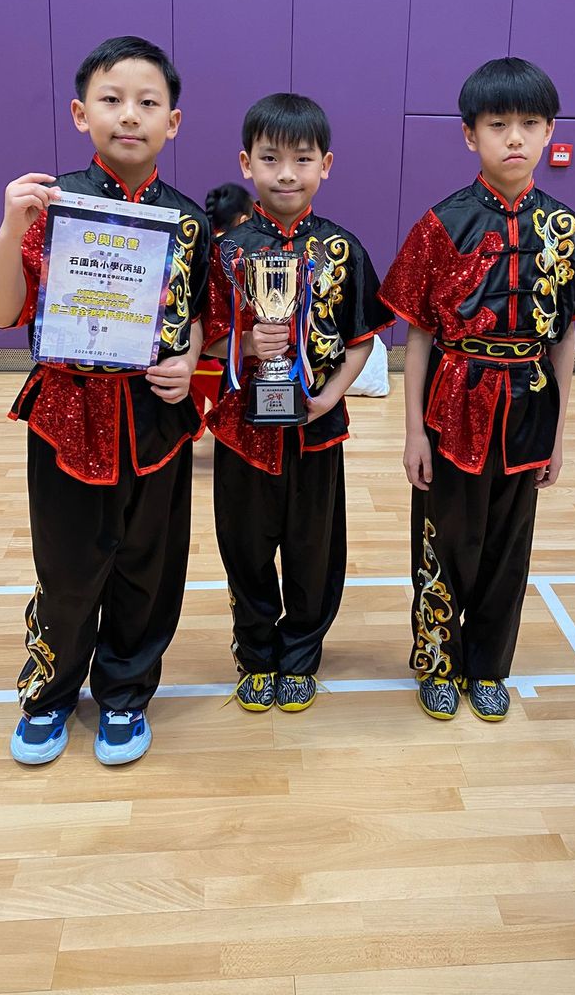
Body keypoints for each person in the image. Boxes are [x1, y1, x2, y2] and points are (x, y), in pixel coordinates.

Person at [0, 35, 210, 766]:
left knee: (148, 567)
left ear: (173, 121)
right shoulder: (50, 205)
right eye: (111, 100)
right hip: (68, 417)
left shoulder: (189, 219)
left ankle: (126, 693)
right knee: (68, 567)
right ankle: (49, 693)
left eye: (148, 102)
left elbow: (201, 314)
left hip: (154, 421)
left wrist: (190, 361)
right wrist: (10, 227)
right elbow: (0, 311)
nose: (129, 115)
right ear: (81, 114)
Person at [379, 57, 575, 723]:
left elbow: (565, 336)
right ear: (469, 134)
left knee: (509, 546)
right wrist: (414, 431)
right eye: (498, 124)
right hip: (453, 403)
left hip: (529, 406)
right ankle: (437, 662)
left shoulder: (565, 229)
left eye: (529, 123)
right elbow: (418, 333)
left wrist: (558, 434)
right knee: (444, 539)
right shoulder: (441, 224)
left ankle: (488, 666)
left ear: (550, 131)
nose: (514, 137)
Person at [202, 93, 393, 712]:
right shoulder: (225, 251)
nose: (287, 173)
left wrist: (329, 396)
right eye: (270, 158)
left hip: (315, 428)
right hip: (243, 430)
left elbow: (362, 340)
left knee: (315, 550)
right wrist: (244, 343)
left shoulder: (343, 249)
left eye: (303, 159)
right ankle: (256, 652)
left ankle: (302, 653)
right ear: (246, 163)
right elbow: (199, 335)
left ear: (325, 165)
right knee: (245, 547)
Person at [190, 183, 254, 416]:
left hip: (188, 352)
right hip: (221, 355)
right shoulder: (236, 256)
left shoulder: (198, 246)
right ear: (244, 219)